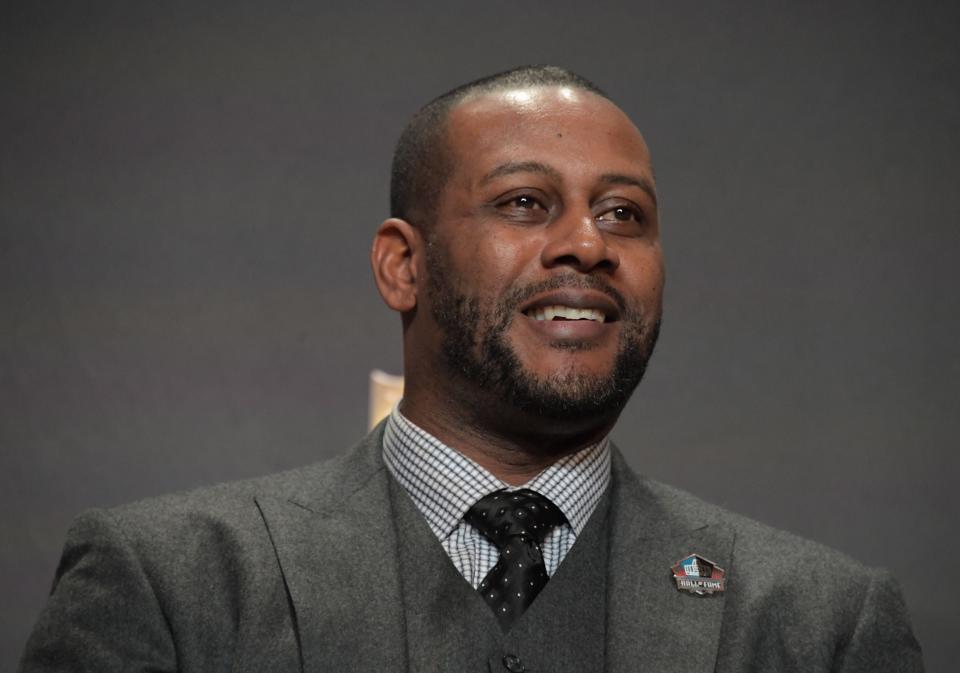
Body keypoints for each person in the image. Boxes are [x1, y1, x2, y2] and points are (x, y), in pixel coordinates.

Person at [19, 65, 924, 672]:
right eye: (526, 202)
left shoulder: (819, 623)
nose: (587, 244)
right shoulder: (170, 583)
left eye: (624, 214)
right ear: (401, 266)